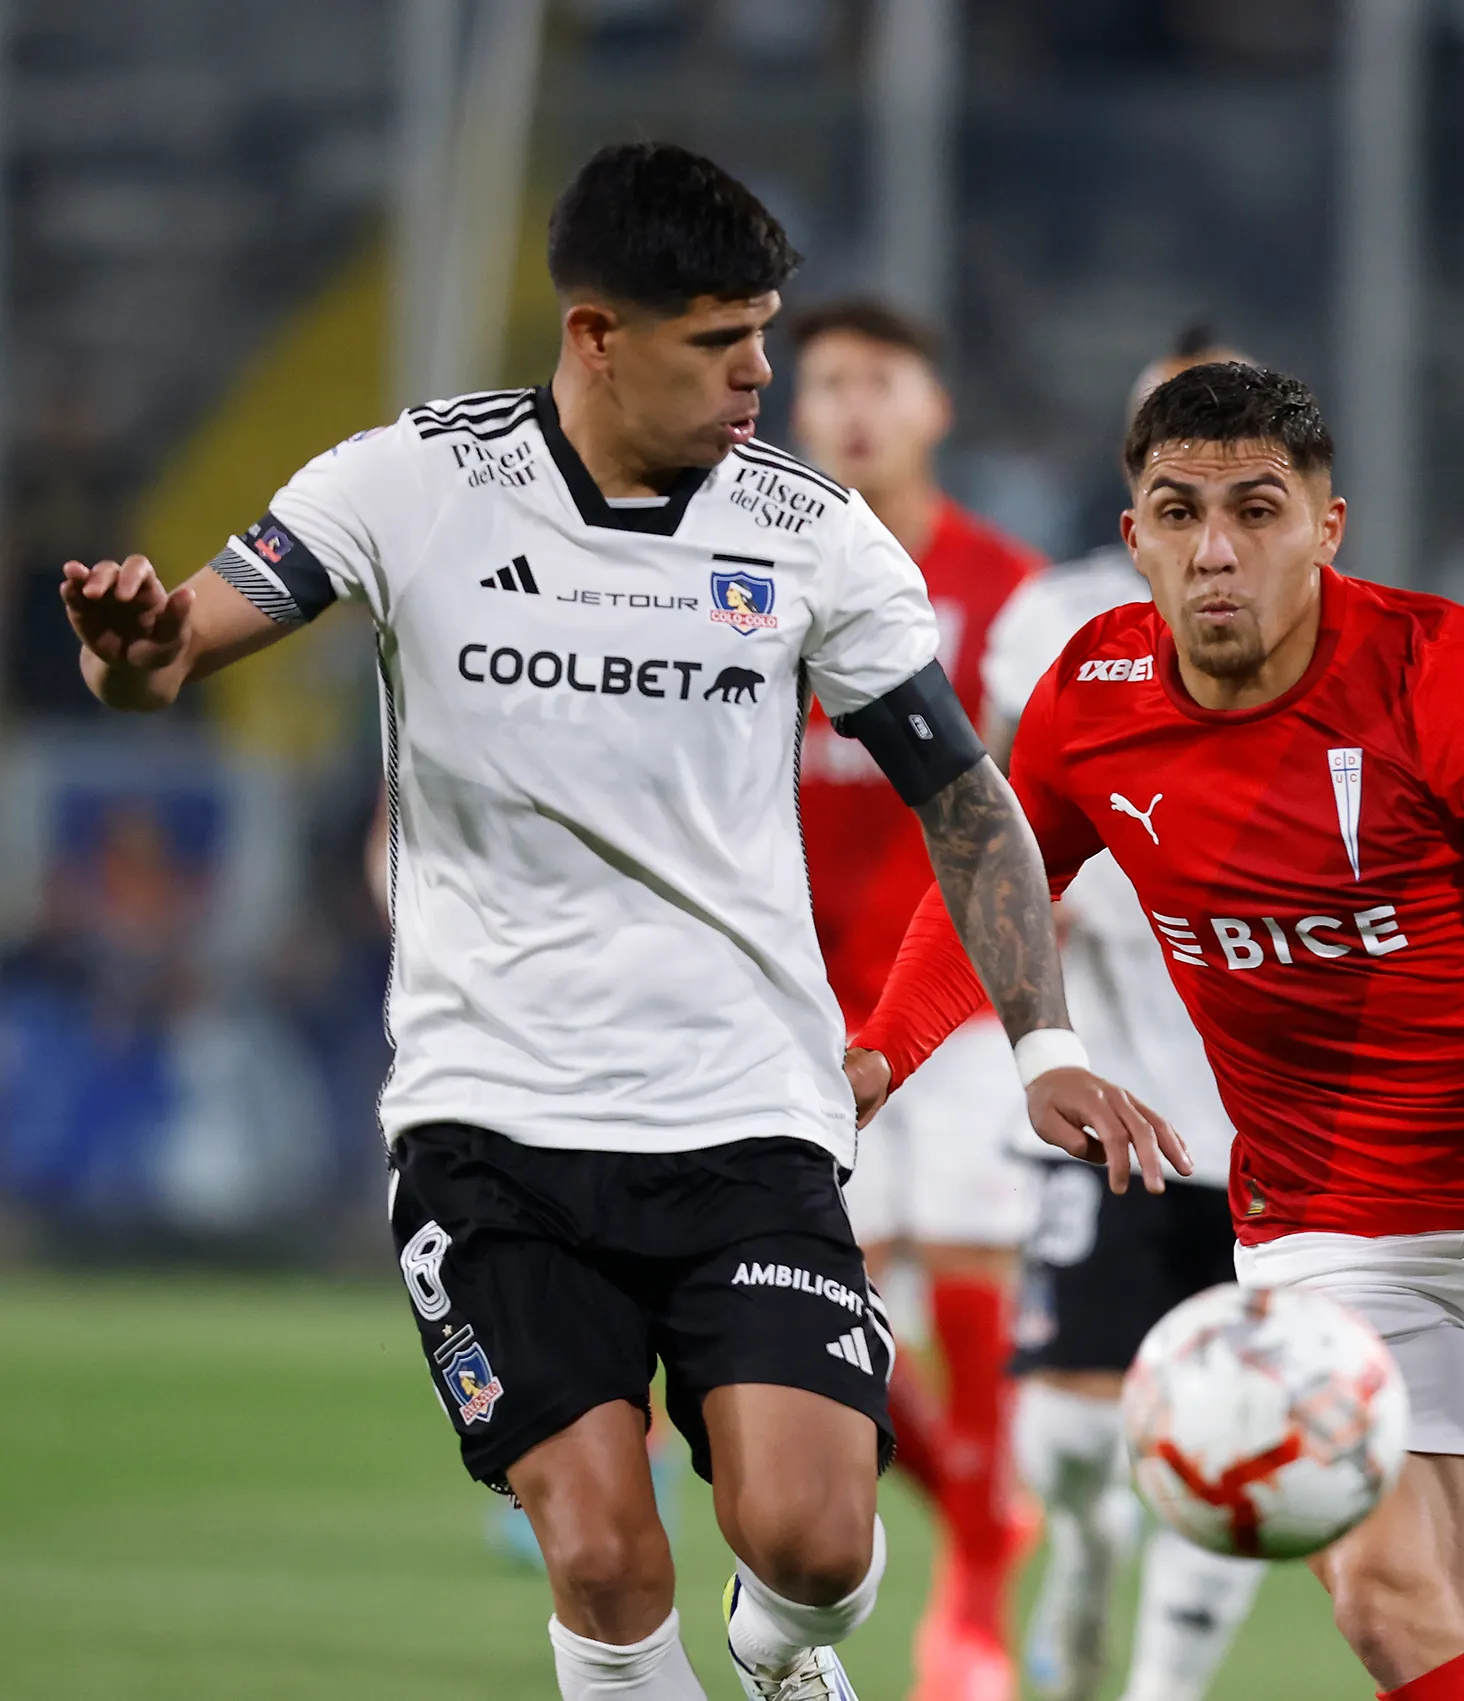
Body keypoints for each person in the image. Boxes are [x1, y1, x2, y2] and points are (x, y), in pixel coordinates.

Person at [56, 141, 1180, 1701]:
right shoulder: (408, 483)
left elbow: (965, 800)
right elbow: (168, 653)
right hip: (491, 1124)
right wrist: (130, 652)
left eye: (763, 334)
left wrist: (1042, 1044)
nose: (761, 375)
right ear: (595, 336)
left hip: (746, 1118)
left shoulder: (811, 533)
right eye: (719, 342)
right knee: (598, 1553)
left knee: (815, 1544)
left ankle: (781, 1650)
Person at [852, 362, 1464, 1701]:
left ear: (1327, 527)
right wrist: (902, 1056)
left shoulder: (1445, 674)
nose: (1215, 550)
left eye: (1256, 511)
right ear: (1133, 536)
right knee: (1387, 1603)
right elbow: (993, 871)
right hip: (1333, 1232)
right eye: (1178, 512)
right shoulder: (1092, 694)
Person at [982, 329, 1267, 1701]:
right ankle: (1089, 1551)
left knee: (1251, 1435)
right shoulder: (1056, 623)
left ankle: (1161, 1690)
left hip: (1282, 1137)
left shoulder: (1328, 629)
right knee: (1074, 1444)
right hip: (1116, 1099)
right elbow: (996, 818)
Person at [788, 296, 1044, 1700]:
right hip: (793, 1004)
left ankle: (977, 1605)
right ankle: (980, 1514)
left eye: (880, 380)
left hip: (953, 996)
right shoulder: (757, 571)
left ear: (935, 408)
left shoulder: (1004, 589)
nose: (852, 408)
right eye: (828, 381)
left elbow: (1028, 796)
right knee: (831, 1297)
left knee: (967, 1262)